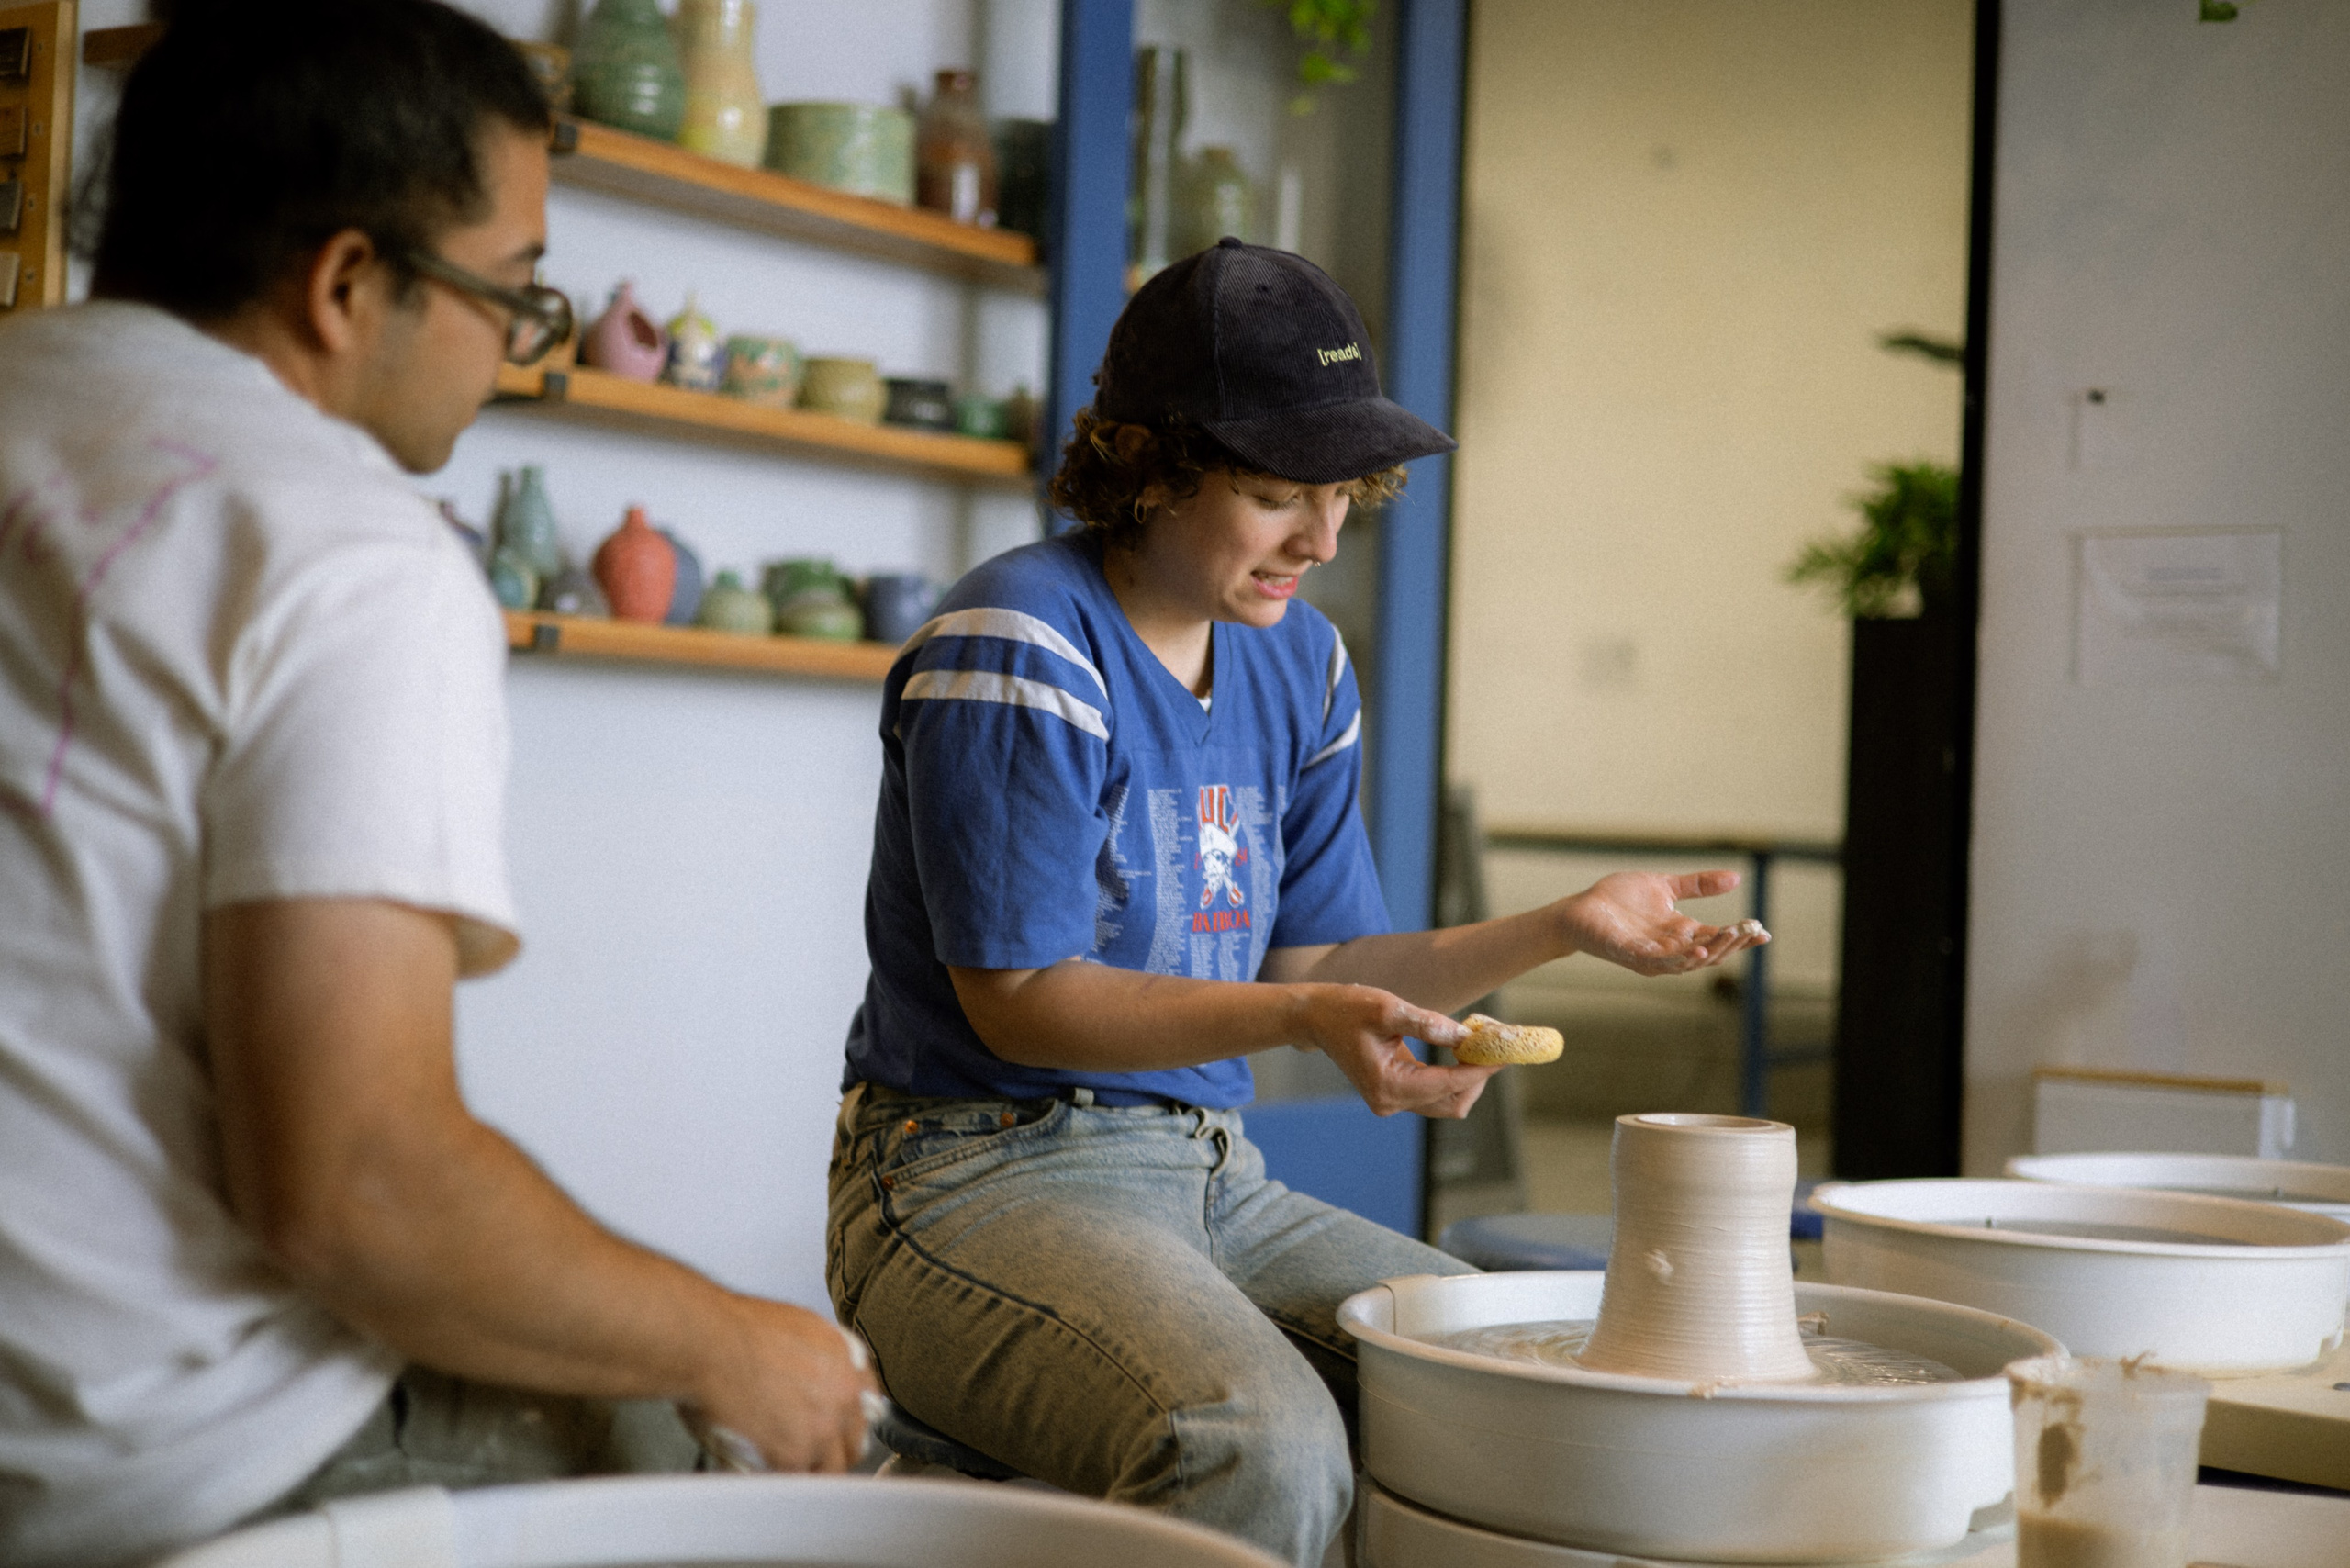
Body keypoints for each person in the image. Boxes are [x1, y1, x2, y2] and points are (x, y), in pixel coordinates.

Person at [0, 6, 871, 1563]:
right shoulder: (341, 555)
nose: (516, 339)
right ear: (346, 283)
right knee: (729, 1446)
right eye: (512, 289)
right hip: (135, 1463)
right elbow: (358, 1191)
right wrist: (745, 1346)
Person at [826, 238, 1766, 1567]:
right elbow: (1024, 999)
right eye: (1276, 496)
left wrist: (1559, 928)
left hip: (1206, 1172)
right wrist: (1304, 1018)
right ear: (1147, 466)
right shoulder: (1019, 646)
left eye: (1344, 497)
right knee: (1255, 1443)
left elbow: (1321, 955)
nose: (1320, 542)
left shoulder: (1303, 664)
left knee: (1526, 1383)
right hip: (967, 1174)